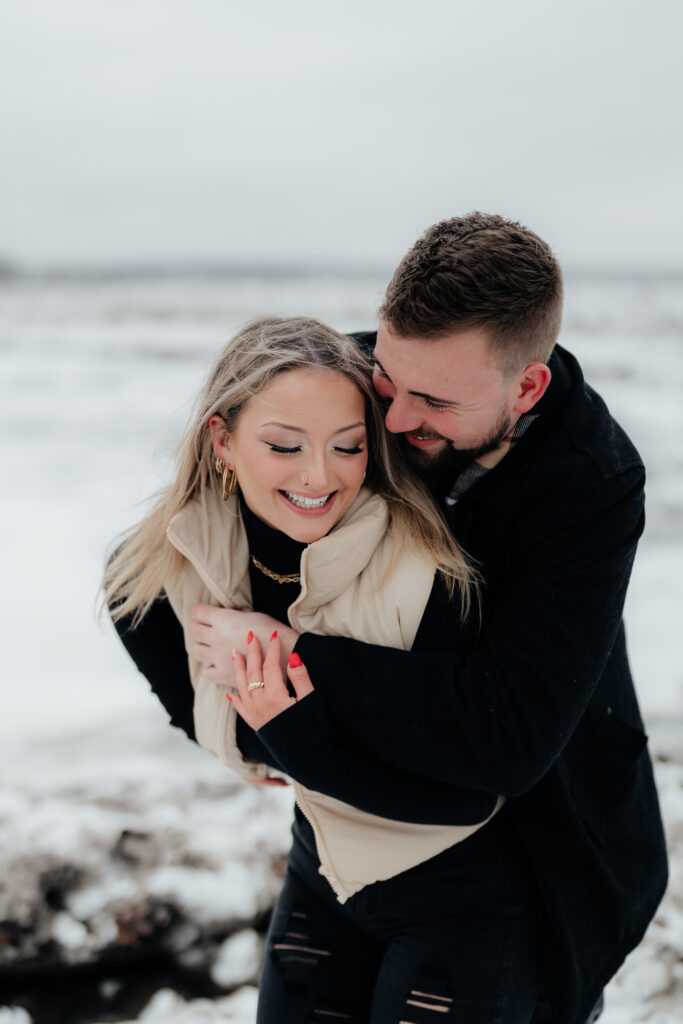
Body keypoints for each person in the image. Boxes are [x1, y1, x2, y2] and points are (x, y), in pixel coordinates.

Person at [110, 214, 668, 1024]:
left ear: (526, 388)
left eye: (434, 401)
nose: (394, 421)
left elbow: (508, 735)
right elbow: (151, 568)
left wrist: (285, 660)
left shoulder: (590, 483)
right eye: (388, 380)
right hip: (338, 839)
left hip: (540, 831)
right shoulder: (345, 390)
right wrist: (226, 728)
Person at [106, 315, 533, 1021]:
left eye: (348, 447)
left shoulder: (428, 574)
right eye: (283, 445)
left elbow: (465, 799)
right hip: (321, 877)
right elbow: (153, 635)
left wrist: (292, 726)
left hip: (459, 902)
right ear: (222, 440)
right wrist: (256, 738)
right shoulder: (175, 554)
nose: (318, 475)